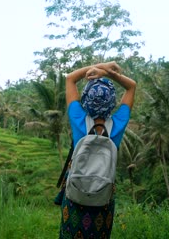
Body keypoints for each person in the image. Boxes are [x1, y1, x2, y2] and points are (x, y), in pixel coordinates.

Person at [58, 61, 136, 238]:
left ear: (85, 100)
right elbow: (131, 87)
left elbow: (70, 79)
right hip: (103, 198)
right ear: (112, 102)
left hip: (75, 196)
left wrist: (101, 67)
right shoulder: (117, 124)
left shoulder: (78, 119)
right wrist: (109, 73)